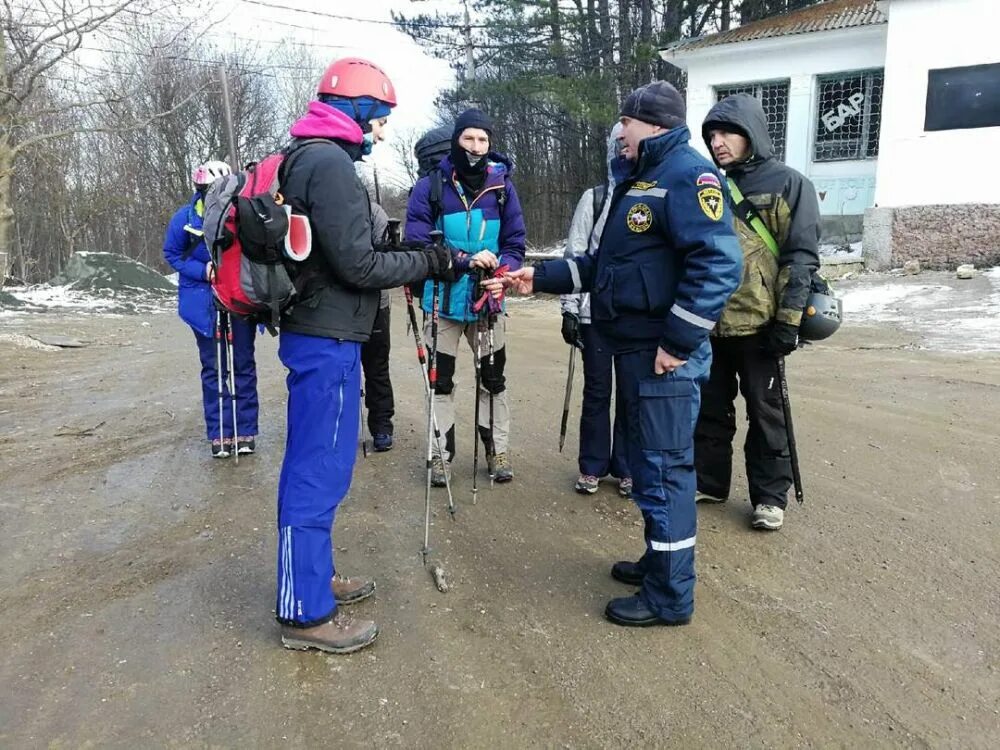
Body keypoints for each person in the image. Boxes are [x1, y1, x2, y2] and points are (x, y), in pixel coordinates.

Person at [499, 82, 742, 627]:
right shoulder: (637, 180)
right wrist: (536, 277)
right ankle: (660, 564)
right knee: (650, 466)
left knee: (663, 471)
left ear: (651, 124)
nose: (619, 133)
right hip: (630, 347)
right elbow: (599, 265)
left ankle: (670, 598)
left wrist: (677, 343)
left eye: (625, 124)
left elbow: (720, 265)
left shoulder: (687, 175)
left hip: (661, 355)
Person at [273, 57, 455, 654]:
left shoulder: (310, 157)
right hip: (325, 338)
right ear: (356, 109)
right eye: (379, 120)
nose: (380, 133)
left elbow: (342, 252)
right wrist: (430, 260)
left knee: (322, 462)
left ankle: (314, 580)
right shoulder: (326, 162)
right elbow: (359, 266)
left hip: (324, 332)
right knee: (317, 467)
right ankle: (304, 614)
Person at [694, 94, 821, 532]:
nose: (718, 142)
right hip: (711, 322)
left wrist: (787, 322)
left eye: (727, 132)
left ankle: (769, 497)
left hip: (761, 325)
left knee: (766, 415)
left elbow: (800, 257)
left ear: (751, 133)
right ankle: (710, 481)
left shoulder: (788, 183)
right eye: (711, 135)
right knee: (710, 409)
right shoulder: (707, 183)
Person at [404, 109, 526, 487]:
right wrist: (462, 260)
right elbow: (418, 241)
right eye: (469, 138)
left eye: (483, 140)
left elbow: (515, 242)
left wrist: (501, 275)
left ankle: (497, 450)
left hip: (488, 300)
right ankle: (441, 454)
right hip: (442, 299)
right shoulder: (430, 187)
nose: (476, 147)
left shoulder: (502, 186)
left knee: (494, 379)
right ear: (457, 139)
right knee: (440, 381)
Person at [162, 160, 259, 458]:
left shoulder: (243, 214)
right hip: (202, 300)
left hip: (238, 297)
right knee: (213, 368)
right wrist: (202, 270)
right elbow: (172, 254)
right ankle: (219, 432)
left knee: (243, 363)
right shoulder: (184, 218)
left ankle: (245, 431)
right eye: (208, 191)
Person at [560, 123, 632, 498]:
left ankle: (627, 466)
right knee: (597, 391)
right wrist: (569, 310)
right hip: (595, 316)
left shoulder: (652, 195)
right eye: (617, 143)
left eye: (629, 142)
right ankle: (592, 465)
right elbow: (576, 254)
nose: (624, 149)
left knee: (633, 395)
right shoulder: (596, 198)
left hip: (636, 317)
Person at [360, 202, 395, 452]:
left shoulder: (374, 212)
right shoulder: (330, 205)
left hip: (376, 302)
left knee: (377, 367)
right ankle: (343, 426)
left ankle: (382, 426)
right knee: (344, 370)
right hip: (341, 305)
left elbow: (383, 257)